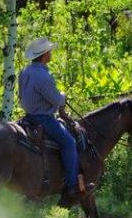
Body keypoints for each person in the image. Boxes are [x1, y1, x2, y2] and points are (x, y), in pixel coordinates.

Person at [18, 37, 93, 206]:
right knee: (69, 142)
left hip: (28, 117)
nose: (51, 53)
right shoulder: (44, 76)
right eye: (49, 51)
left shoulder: (24, 72)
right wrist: (63, 96)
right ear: (44, 55)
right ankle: (73, 185)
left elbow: (20, 96)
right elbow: (56, 101)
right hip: (43, 118)